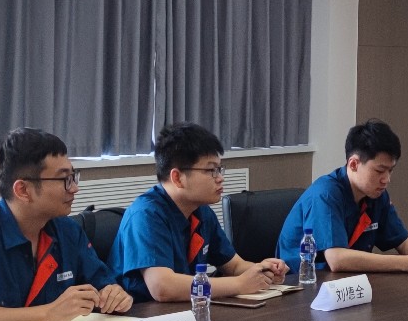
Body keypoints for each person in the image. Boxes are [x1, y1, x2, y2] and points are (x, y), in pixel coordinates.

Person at [0, 128, 133, 321]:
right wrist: (50, 313)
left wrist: (115, 295)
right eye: (64, 179)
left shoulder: (68, 231)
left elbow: (102, 284)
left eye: (73, 177)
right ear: (23, 190)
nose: (74, 188)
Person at [114, 122, 289, 302]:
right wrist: (239, 284)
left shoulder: (201, 211)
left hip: (187, 309)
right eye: (211, 170)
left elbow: (234, 266)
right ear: (177, 178)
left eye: (219, 169)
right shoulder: (146, 214)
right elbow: (162, 287)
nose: (220, 178)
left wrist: (262, 272)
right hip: (142, 313)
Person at [276, 119, 408, 274]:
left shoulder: (376, 195)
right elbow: (337, 259)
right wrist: (407, 263)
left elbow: (404, 242)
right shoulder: (326, 194)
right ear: (353, 164)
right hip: (303, 284)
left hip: (348, 282)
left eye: (390, 171)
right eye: (380, 171)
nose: (386, 179)